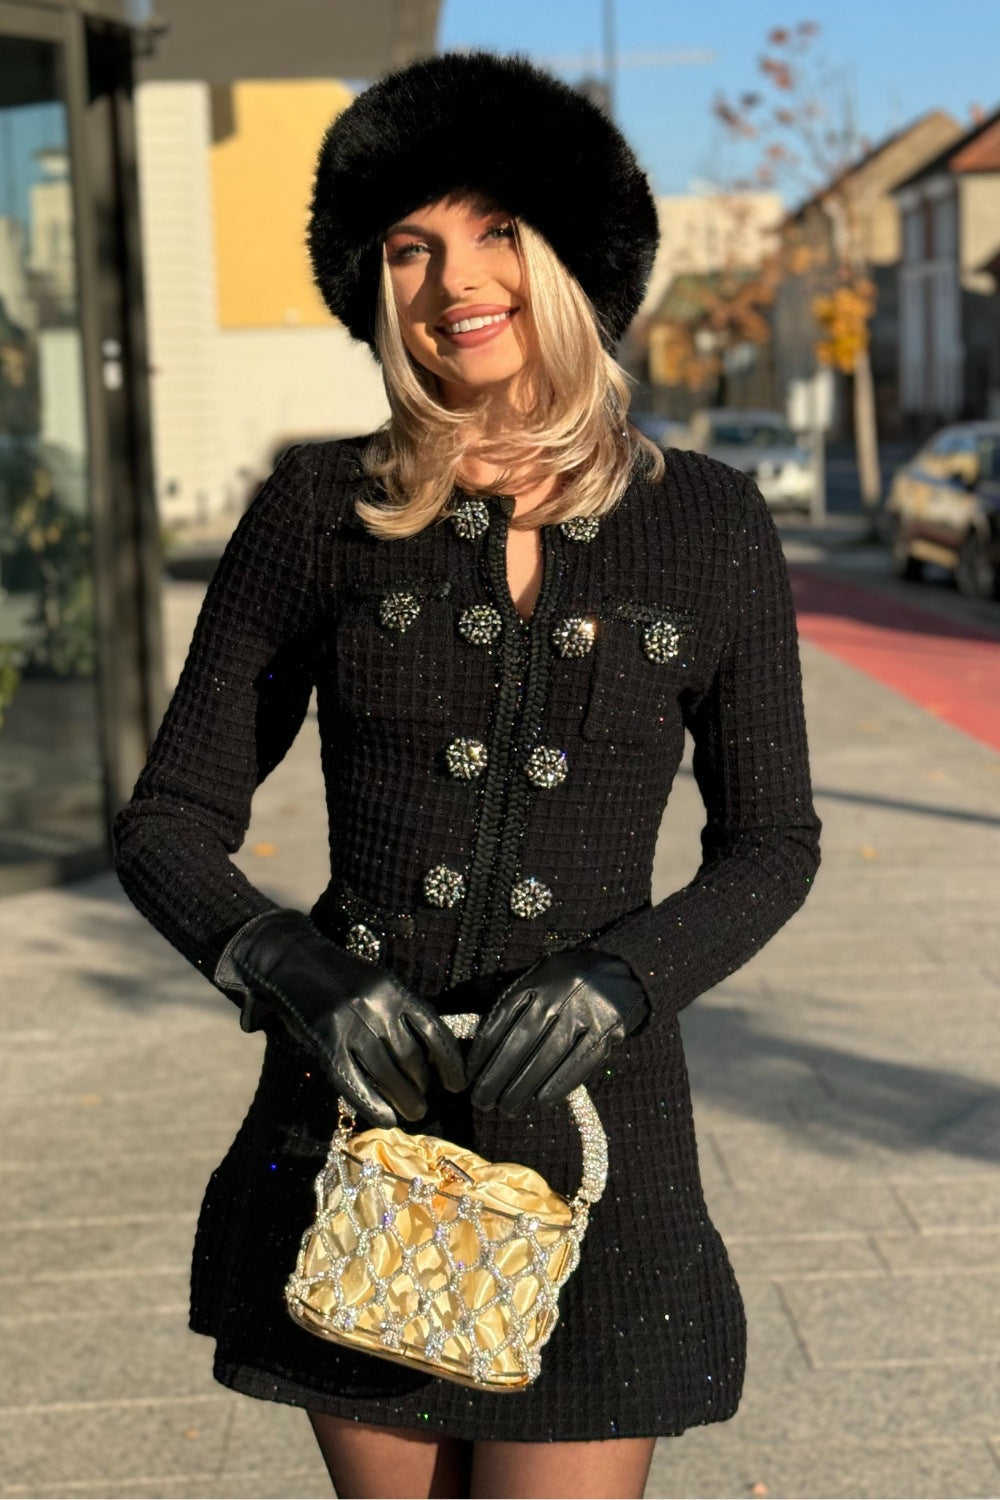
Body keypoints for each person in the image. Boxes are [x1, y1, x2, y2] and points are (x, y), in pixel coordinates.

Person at [112, 49, 822, 1500]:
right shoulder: (320, 509)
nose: (455, 280)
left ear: (568, 256)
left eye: (497, 229)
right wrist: (285, 967)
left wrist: (629, 979)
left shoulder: (711, 524)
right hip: (353, 1131)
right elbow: (169, 822)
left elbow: (774, 841)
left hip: (598, 1141)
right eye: (410, 246)